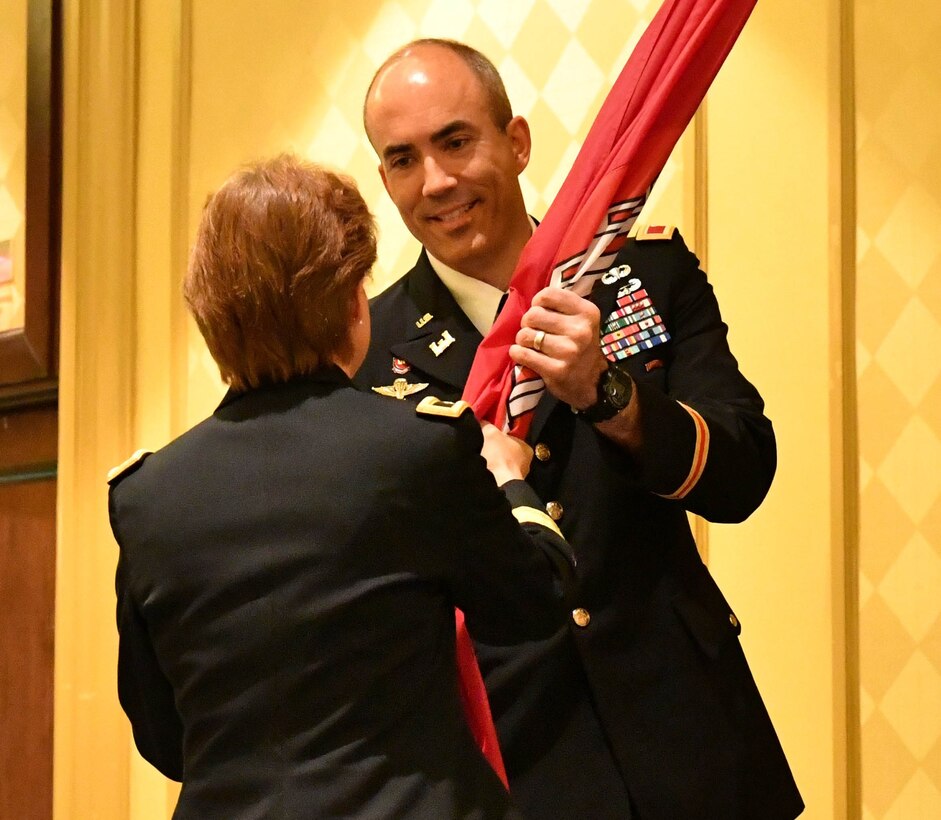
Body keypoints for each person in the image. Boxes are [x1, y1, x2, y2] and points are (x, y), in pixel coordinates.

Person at [357, 39, 804, 820]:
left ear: (516, 141)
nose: (437, 182)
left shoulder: (643, 274)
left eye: (456, 141)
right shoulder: (368, 353)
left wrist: (608, 393)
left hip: (693, 742)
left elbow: (744, 474)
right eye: (402, 159)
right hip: (522, 773)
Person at [109, 154, 576, 819]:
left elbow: (163, 737)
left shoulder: (146, 495)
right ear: (351, 301)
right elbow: (534, 606)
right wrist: (507, 479)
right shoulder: (417, 447)